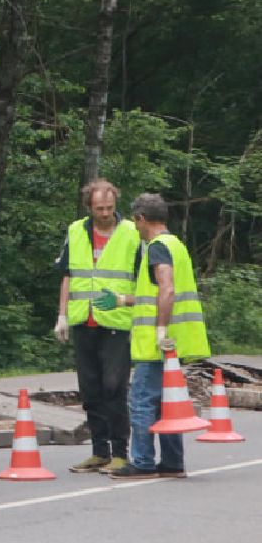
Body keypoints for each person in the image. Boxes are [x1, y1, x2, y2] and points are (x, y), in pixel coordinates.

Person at [108, 192, 211, 479]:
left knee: (142, 400)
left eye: (135, 221)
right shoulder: (176, 244)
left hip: (157, 344)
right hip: (175, 343)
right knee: (169, 403)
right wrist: (123, 300)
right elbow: (152, 295)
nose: (135, 226)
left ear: (141, 219)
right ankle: (172, 462)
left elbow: (166, 289)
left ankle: (141, 462)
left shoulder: (156, 247)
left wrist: (160, 329)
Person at [53, 179, 137, 473]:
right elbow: (67, 274)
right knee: (90, 391)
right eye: (99, 208)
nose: (105, 213)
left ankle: (120, 452)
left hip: (116, 324)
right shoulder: (76, 231)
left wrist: (127, 301)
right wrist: (61, 314)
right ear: (89, 207)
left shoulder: (131, 233)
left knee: (114, 387)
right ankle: (99, 451)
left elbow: (147, 284)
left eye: (110, 208)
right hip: (83, 321)